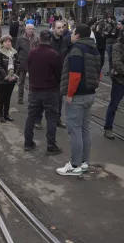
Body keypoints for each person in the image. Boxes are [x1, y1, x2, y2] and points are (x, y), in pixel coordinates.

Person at [56, 25, 100, 176]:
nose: (71, 35)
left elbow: (75, 75)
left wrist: (69, 94)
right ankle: (83, 162)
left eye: (73, 33)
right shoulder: (94, 49)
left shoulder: (77, 50)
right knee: (85, 128)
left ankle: (74, 165)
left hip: (78, 95)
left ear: (78, 36)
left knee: (74, 129)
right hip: (90, 94)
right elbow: (98, 73)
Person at [24, 30, 63, 155]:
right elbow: (59, 75)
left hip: (35, 90)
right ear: (50, 40)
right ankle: (51, 145)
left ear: (39, 39)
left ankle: (28, 142)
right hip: (50, 91)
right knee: (51, 118)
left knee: (31, 116)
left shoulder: (31, 53)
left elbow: (28, 69)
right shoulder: (54, 55)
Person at [0, 35, 19, 122]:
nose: (8, 43)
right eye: (6, 42)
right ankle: (0, 115)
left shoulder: (14, 52)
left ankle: (6, 114)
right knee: (2, 97)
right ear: (2, 43)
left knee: (8, 97)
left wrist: (14, 75)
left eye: (9, 41)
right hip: (2, 79)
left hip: (12, 79)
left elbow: (18, 64)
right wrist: (6, 76)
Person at [104, 34, 124, 139]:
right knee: (113, 105)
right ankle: (108, 128)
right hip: (119, 81)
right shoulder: (118, 46)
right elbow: (117, 63)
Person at [15, 24, 39, 104]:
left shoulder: (36, 39)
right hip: (23, 62)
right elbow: (16, 51)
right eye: (29, 29)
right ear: (26, 29)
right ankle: (20, 98)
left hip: (33, 63)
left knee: (32, 81)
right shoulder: (20, 39)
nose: (31, 30)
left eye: (32, 29)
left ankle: (31, 97)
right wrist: (18, 61)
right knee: (21, 81)